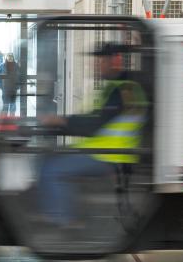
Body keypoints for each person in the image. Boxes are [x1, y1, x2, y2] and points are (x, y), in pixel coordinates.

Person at [37, 43, 147, 227]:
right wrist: (60, 122)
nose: (96, 65)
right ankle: (60, 213)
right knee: (52, 155)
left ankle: (66, 222)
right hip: (103, 151)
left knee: (51, 168)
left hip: (109, 156)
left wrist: (60, 122)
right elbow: (95, 118)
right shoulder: (120, 87)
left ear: (116, 61)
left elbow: (93, 125)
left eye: (101, 60)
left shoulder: (122, 90)